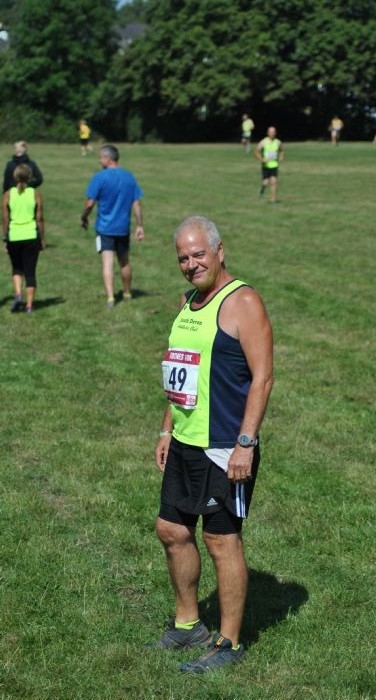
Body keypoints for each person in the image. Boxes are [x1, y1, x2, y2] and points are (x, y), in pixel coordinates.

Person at [150, 215, 274, 673]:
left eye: (198, 254)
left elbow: (263, 378)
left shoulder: (243, 301)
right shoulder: (187, 302)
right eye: (183, 257)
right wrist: (167, 429)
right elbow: (181, 371)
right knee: (171, 530)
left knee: (221, 539)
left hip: (224, 443)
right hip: (185, 440)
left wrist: (245, 443)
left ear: (220, 251)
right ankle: (188, 625)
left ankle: (230, 642)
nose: (191, 264)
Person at [80, 144, 144, 308]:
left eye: (101, 157)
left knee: (107, 263)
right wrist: (139, 225)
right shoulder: (129, 177)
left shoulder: (99, 177)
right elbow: (136, 203)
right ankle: (127, 293)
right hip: (123, 228)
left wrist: (84, 217)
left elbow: (89, 203)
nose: (99, 160)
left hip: (104, 228)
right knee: (124, 262)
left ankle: (110, 298)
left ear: (108, 159)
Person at [3, 164, 45, 313]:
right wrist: (42, 239)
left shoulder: (8, 194)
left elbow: (5, 219)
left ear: (15, 177)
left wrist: (5, 238)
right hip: (30, 235)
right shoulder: (35, 194)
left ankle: (18, 295)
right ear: (30, 177)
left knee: (16, 269)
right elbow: (40, 218)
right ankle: (29, 306)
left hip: (14, 236)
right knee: (30, 272)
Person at [255, 126, 285, 203]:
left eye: (273, 132)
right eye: (270, 132)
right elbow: (256, 152)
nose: (272, 133)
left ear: (275, 133)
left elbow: (282, 150)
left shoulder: (278, 142)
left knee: (274, 182)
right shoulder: (263, 142)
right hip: (265, 166)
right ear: (268, 133)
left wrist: (281, 157)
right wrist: (262, 159)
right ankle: (262, 190)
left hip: (274, 165)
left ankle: (273, 200)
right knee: (266, 182)